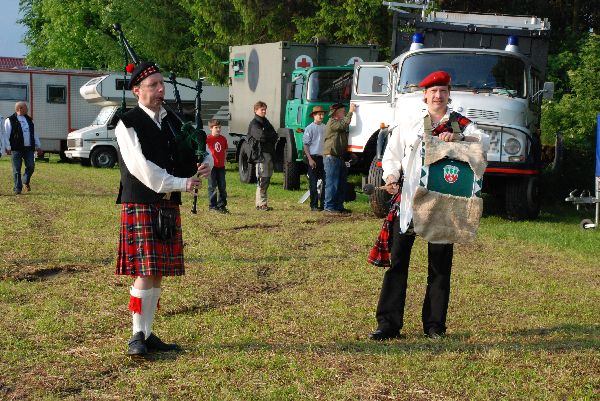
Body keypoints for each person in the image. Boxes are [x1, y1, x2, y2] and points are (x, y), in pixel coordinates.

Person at [368, 71, 489, 340]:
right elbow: (392, 155)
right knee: (397, 263)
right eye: (433, 91)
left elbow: (484, 142)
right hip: (410, 202)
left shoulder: (460, 123)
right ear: (425, 95)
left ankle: (435, 326)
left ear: (448, 93)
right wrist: (391, 175)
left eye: (442, 90)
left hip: (444, 207)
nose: (437, 95)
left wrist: (459, 139)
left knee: (439, 266)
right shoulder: (410, 122)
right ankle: (388, 325)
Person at [114, 61, 213, 356]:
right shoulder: (127, 122)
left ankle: (147, 332)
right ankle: (136, 337)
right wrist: (181, 183)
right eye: (153, 85)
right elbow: (141, 168)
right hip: (144, 201)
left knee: (156, 272)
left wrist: (205, 160)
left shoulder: (170, 119)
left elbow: (197, 143)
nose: (160, 90)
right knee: (146, 271)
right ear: (136, 91)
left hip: (168, 203)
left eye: (162, 84)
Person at [322, 102, 356, 214]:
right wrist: (351, 111)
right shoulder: (332, 122)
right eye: (342, 111)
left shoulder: (336, 123)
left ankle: (338, 206)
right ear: (336, 112)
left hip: (339, 157)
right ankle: (329, 207)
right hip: (331, 157)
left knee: (340, 183)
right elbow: (343, 124)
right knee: (332, 183)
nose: (344, 113)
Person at [3, 102, 42, 194]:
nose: (27, 109)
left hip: (29, 148)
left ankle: (25, 180)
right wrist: (8, 147)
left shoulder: (29, 119)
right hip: (16, 149)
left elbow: (34, 134)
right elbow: (6, 135)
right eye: (25, 108)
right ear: (20, 108)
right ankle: (17, 188)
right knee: (17, 169)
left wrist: (38, 146)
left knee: (31, 166)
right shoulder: (10, 120)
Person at [248, 101, 278, 211]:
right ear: (256, 110)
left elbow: (275, 135)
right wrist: (269, 136)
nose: (264, 111)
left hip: (269, 154)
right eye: (262, 109)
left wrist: (269, 136)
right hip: (261, 155)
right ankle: (261, 204)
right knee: (262, 178)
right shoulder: (254, 123)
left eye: (265, 109)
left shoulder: (266, 122)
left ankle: (262, 203)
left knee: (267, 178)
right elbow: (261, 136)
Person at [303, 105, 326, 211]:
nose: (321, 116)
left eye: (322, 114)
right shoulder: (309, 128)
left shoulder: (325, 127)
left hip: (323, 157)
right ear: (314, 116)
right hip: (313, 156)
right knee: (313, 182)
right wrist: (310, 159)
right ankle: (314, 205)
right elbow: (306, 145)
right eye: (319, 114)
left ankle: (323, 204)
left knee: (325, 182)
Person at [206, 119, 229, 213]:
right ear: (211, 128)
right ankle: (212, 206)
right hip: (211, 167)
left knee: (222, 187)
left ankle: (222, 206)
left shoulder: (223, 139)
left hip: (221, 167)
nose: (218, 129)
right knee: (212, 186)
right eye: (216, 127)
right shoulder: (208, 139)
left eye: (219, 127)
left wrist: (224, 161)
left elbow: (225, 151)